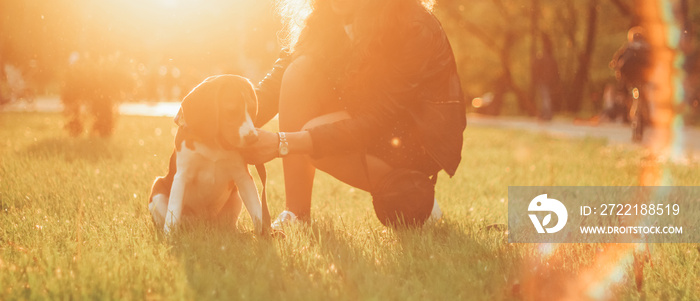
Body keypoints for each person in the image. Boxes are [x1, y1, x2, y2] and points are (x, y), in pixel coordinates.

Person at [243, 0, 466, 228]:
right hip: (366, 115)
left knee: (312, 139)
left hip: (415, 138)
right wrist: (235, 121)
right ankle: (296, 215)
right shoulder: (326, 16)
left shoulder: (412, 26)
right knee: (299, 71)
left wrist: (284, 142)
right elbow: (280, 78)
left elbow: (377, 120)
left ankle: (411, 191)